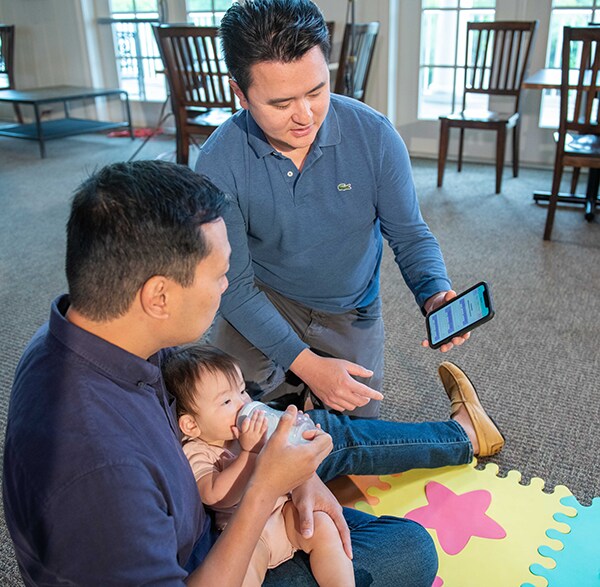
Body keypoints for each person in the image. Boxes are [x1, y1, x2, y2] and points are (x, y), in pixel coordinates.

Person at [3, 159, 502, 587]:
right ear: (158, 296)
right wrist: (266, 487)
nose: (227, 285)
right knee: (408, 549)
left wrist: (296, 475)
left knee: (316, 434)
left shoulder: (83, 331)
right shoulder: (99, 472)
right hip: (210, 553)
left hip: (207, 489)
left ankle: (460, 436)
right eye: (219, 274)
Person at [194, 0, 470, 418]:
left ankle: (463, 429)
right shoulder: (219, 161)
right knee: (222, 422)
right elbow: (233, 285)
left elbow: (410, 234)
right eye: (281, 103)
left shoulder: (375, 136)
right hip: (264, 298)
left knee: (355, 439)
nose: (305, 116)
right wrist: (309, 366)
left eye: (316, 91)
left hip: (351, 308)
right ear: (240, 93)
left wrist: (433, 292)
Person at [162, 344, 355, 587]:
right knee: (243, 575)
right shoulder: (196, 450)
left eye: (242, 391)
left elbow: (291, 460)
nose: (243, 403)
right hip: (250, 537)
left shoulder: (255, 428)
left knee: (324, 527)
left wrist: (298, 435)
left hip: (285, 513)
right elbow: (215, 496)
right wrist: (249, 453)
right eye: (227, 401)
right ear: (191, 425)